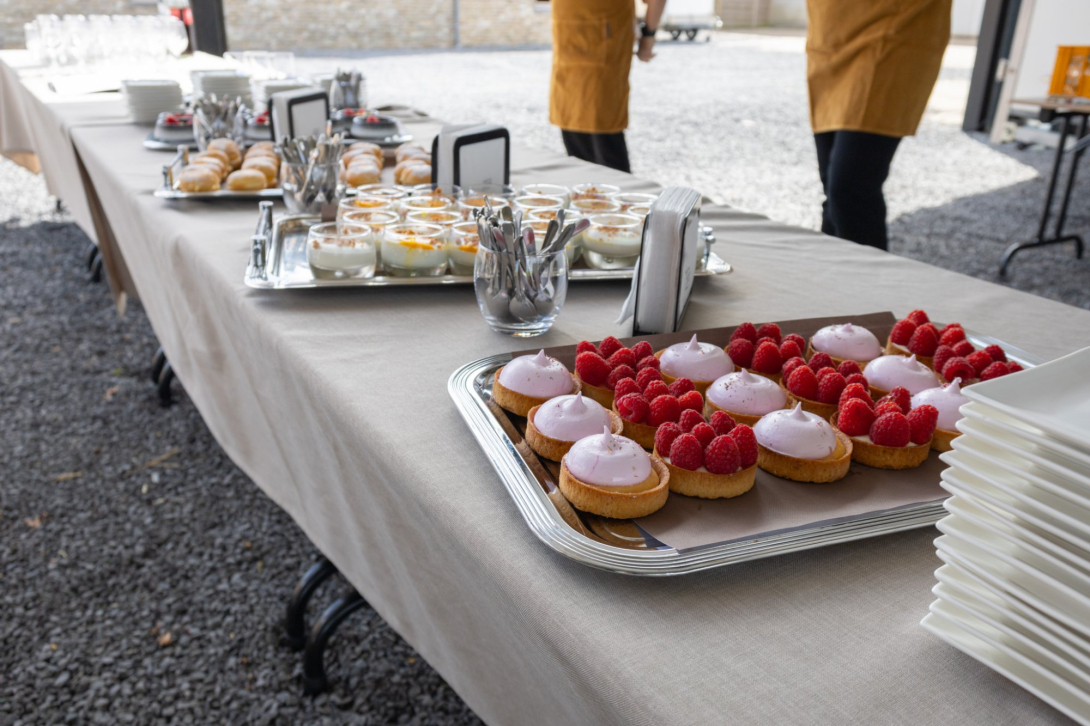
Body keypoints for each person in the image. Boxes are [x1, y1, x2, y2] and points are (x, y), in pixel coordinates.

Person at [806, 0, 951, 250]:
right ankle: (827, 278)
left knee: (850, 187)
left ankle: (868, 285)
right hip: (831, 32)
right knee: (832, 187)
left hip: (895, 28)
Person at [549, 0, 667, 173]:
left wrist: (648, 36)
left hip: (604, 44)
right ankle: (586, 197)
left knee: (604, 136)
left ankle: (618, 197)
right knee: (575, 145)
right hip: (567, 46)